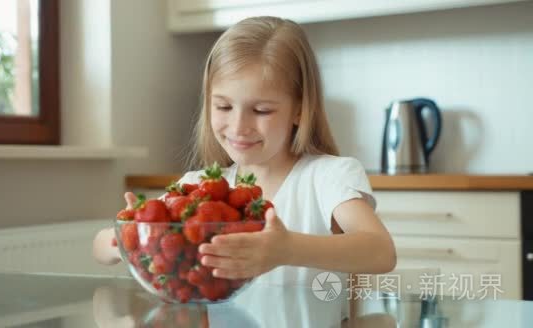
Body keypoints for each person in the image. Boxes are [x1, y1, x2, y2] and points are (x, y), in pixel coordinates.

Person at [93, 16, 396, 320]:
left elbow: (381, 250)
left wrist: (286, 249)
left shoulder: (328, 176)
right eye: (223, 106)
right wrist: (129, 236)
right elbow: (100, 248)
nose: (239, 126)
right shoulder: (198, 188)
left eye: (261, 110)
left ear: (300, 109)